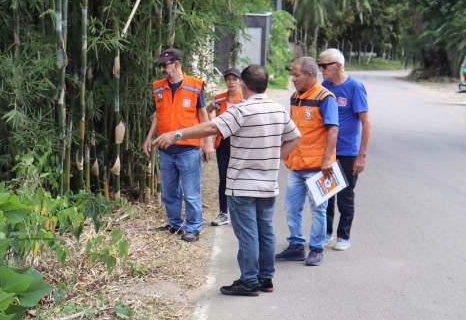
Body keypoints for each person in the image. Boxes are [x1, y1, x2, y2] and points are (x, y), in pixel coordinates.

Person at [154, 65, 299, 296]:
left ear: (244, 84)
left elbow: (212, 126)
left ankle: (249, 280)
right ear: (266, 85)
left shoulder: (242, 111)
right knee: (266, 230)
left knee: (248, 233)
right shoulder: (278, 110)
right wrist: (276, 156)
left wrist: (177, 133)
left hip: (242, 185)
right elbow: (295, 137)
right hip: (268, 185)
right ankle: (265, 278)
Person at [142, 48, 215, 242]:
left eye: (166, 65)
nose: (163, 69)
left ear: (177, 64)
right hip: (165, 149)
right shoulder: (158, 87)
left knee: (191, 193)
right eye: (161, 65)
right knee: (169, 191)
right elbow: (159, 115)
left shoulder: (194, 86)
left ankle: (193, 227)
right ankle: (175, 224)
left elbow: (203, 115)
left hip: (188, 148)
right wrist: (149, 137)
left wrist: (208, 143)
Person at [276, 56, 338, 266]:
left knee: (319, 209)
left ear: (310, 75)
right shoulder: (295, 97)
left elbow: (333, 129)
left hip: (319, 167)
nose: (292, 79)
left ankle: (316, 248)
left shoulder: (325, 97)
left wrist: (328, 159)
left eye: (296, 74)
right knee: (292, 207)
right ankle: (295, 245)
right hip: (296, 165)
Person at [319, 49, 370, 251]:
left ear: (338, 65)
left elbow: (366, 123)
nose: (321, 70)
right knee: (326, 195)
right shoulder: (325, 87)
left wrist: (362, 156)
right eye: (320, 66)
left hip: (349, 151)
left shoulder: (355, 87)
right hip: (328, 151)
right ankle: (326, 233)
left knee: (345, 195)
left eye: (325, 66)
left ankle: (343, 235)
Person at [205, 67, 244, 227]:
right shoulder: (220, 99)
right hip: (223, 142)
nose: (231, 82)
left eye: (234, 79)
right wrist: (212, 126)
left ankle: (240, 213)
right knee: (224, 178)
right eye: (228, 79)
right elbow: (207, 110)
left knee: (240, 177)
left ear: (240, 81)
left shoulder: (245, 100)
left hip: (241, 143)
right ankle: (223, 212)